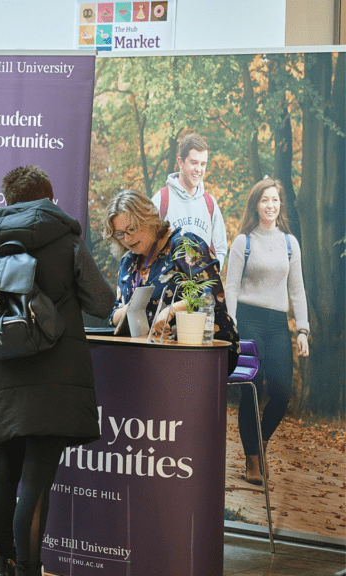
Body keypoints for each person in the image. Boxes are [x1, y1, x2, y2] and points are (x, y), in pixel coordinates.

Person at [0, 166, 114, 576]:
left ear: (8, 199)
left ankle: (3, 568)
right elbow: (101, 303)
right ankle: (29, 570)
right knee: (35, 481)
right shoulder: (66, 240)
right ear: (48, 198)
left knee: (4, 475)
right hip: (55, 377)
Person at [225, 178, 309, 485]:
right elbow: (231, 287)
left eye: (275, 200)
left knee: (282, 392)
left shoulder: (290, 243)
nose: (270, 205)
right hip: (247, 319)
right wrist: (231, 326)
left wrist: (302, 329)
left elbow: (297, 289)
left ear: (280, 205)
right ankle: (251, 461)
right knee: (253, 387)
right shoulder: (243, 242)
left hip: (276, 322)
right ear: (255, 205)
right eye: (264, 200)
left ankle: (259, 445)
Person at [105, 190, 239, 366]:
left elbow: (212, 296)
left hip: (206, 349)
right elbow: (114, 314)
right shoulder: (128, 261)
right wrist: (132, 308)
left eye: (131, 229)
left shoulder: (185, 244)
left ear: (149, 219)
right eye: (120, 234)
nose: (127, 239)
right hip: (153, 352)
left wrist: (172, 310)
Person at [151, 133, 229, 269]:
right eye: (194, 163)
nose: (198, 169)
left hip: (203, 287)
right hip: (168, 287)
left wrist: (211, 274)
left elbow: (220, 249)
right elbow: (147, 247)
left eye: (203, 164)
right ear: (180, 162)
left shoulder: (209, 203)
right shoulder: (162, 200)